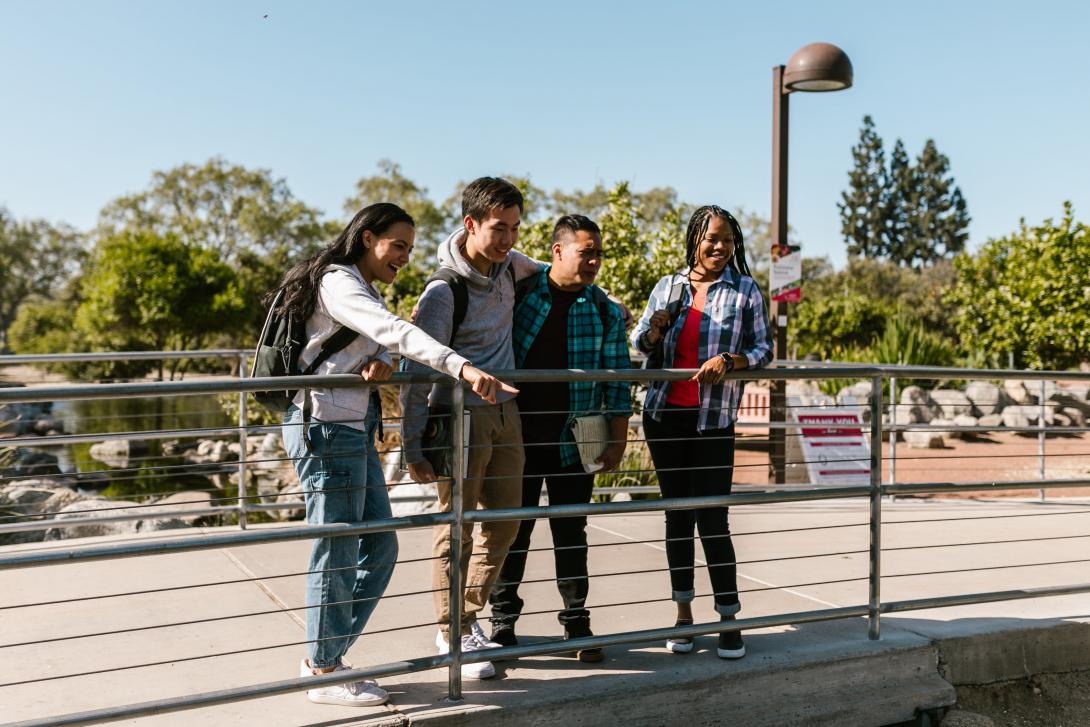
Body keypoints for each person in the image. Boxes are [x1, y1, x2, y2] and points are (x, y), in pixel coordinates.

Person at [275, 202, 515, 706]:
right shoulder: (338, 281)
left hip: (353, 427)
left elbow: (375, 342)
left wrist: (380, 361)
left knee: (379, 548)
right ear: (367, 238)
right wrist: (461, 366)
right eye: (398, 245)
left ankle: (327, 654)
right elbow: (392, 329)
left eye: (409, 247)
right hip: (322, 429)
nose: (405, 256)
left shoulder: (362, 286)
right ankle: (323, 667)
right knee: (337, 549)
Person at [400, 177, 542, 680]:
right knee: (455, 524)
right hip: (459, 413)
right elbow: (417, 370)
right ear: (470, 225)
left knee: (507, 519)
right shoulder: (443, 291)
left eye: (515, 228)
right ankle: (451, 631)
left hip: (507, 410)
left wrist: (604, 296)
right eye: (499, 228)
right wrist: (410, 443)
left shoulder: (510, 265)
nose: (508, 239)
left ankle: (466, 614)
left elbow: (551, 270)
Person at [487, 214, 632, 662]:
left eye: (598, 254)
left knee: (571, 531)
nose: (594, 262)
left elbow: (618, 381)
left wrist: (618, 440)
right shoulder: (521, 294)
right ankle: (502, 622)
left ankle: (576, 622)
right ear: (558, 252)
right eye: (586, 252)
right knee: (513, 530)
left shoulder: (604, 310)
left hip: (578, 438)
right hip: (518, 438)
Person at [630, 205, 772, 660]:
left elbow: (763, 348)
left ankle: (730, 619)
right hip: (663, 416)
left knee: (713, 518)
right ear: (694, 239)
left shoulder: (745, 289)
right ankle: (683, 616)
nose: (720, 247)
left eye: (728, 240)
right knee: (677, 517)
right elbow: (638, 344)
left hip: (714, 420)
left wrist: (731, 361)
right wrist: (654, 329)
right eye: (712, 238)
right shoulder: (667, 287)